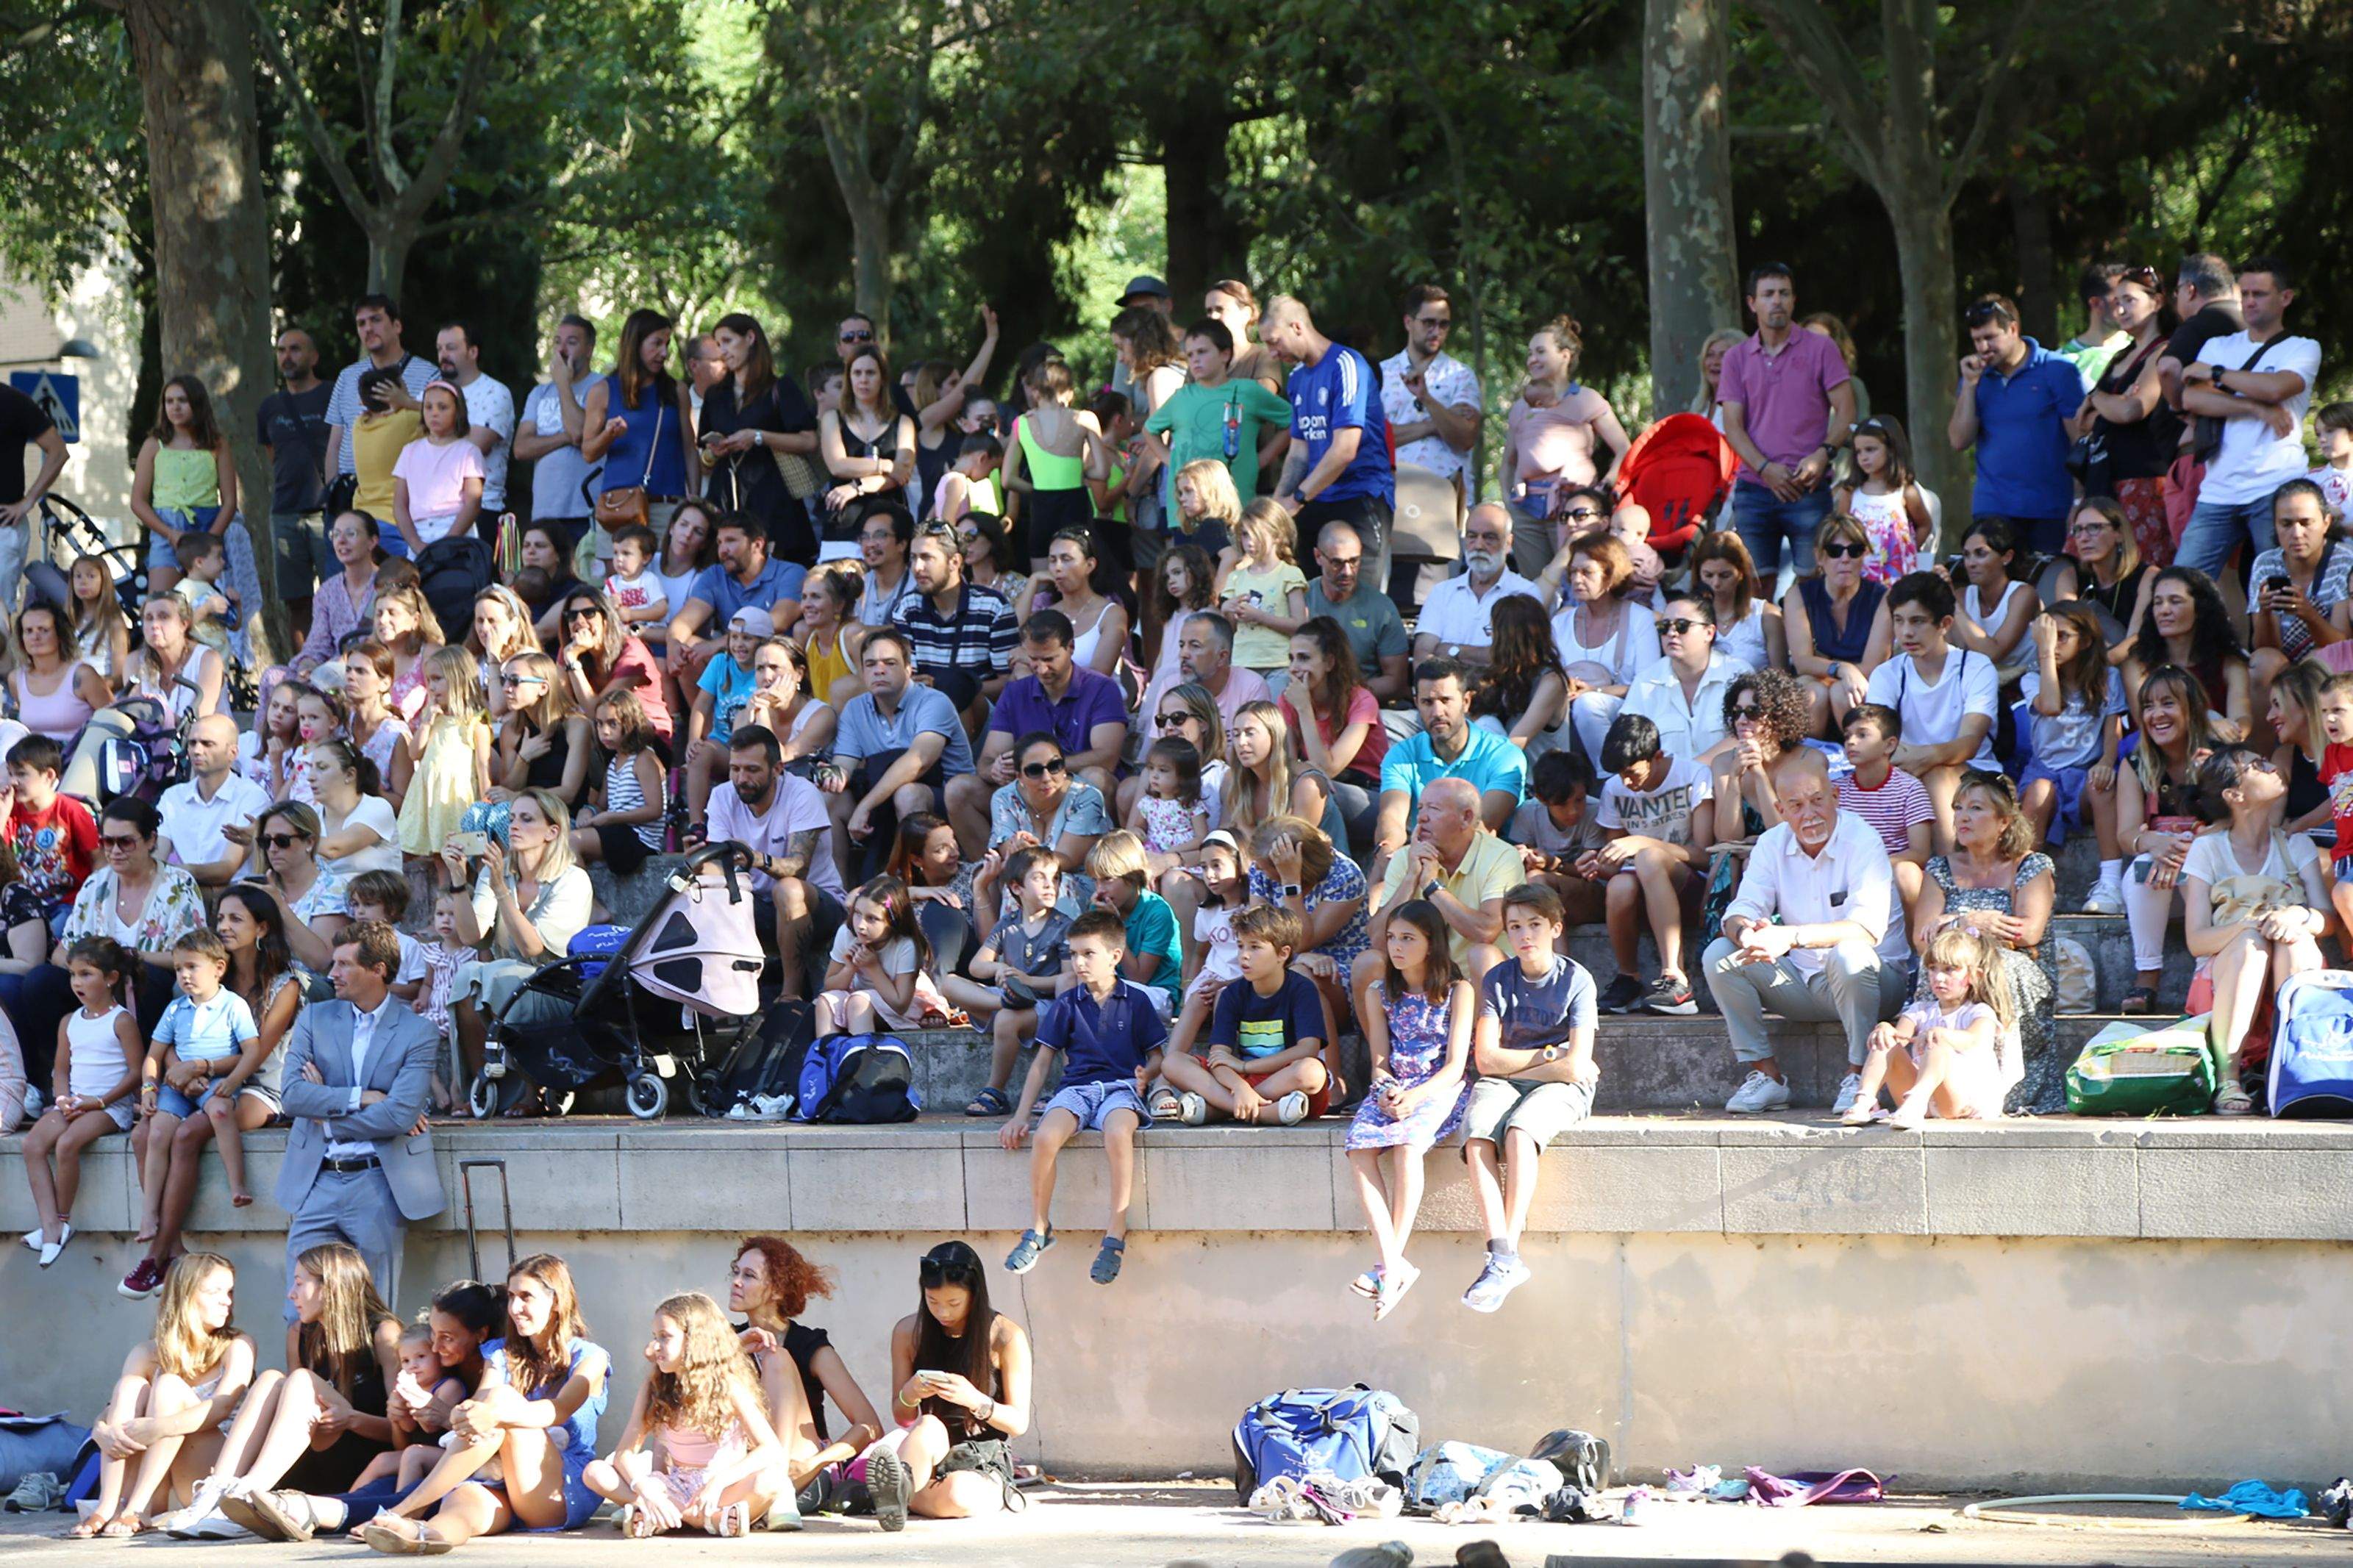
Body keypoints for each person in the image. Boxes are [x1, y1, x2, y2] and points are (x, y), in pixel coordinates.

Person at [353, 1253, 612, 1550]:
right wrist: (450, 1411)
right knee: (463, 1504)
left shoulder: (591, 1357)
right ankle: (423, 1535)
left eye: (526, 1297)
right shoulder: (500, 1353)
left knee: (500, 1401)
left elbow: (559, 1410)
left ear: (556, 1301)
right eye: (512, 1296)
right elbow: (480, 1405)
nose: (515, 1308)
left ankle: (405, 1509)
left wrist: (496, 1412)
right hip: (500, 1481)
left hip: (557, 1489)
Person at [149, 1240, 404, 1536]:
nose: (291, 1294)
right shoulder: (299, 1333)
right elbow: (294, 1417)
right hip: (308, 1459)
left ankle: (247, 1496)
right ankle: (219, 1492)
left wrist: (352, 1419)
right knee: (271, 1378)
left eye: (299, 1284)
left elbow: (402, 1435)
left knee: (300, 1379)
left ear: (330, 1286)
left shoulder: (384, 1333)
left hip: (360, 1464)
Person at [1703, 747, 1906, 1114]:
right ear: (1780, 811)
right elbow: (1740, 910)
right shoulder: (1771, 843)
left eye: (1817, 801)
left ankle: (1859, 1076)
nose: (1809, 814)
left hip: (1876, 983)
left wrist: (1789, 936)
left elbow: (1866, 930)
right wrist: (1748, 935)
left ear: (1836, 797)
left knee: (1849, 952)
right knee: (1719, 955)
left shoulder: (1862, 840)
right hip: (1804, 981)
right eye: (1795, 805)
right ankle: (1767, 1078)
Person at [1001, 909, 1164, 1286]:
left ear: (1115, 957)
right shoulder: (1067, 1004)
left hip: (1122, 1087)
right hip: (1076, 1090)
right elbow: (1042, 1063)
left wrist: (1148, 1073)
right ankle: (1040, 1228)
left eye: (1088, 954)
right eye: (1074, 954)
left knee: (1119, 1132)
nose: (1078, 962)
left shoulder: (1137, 1002)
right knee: (1044, 1137)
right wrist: (1020, 1115)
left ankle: (1115, 1231)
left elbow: (1157, 1056)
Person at [1459, 881, 1597, 1313]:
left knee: (1519, 1131)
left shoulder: (1577, 980)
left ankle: (1506, 1256)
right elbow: (1485, 1060)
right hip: (1511, 1080)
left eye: (1534, 925)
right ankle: (1499, 1252)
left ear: (1554, 928)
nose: (1524, 936)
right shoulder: (1499, 978)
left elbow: (1576, 1069)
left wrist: (1540, 1063)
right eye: (1515, 926)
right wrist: (1549, 1055)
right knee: (1478, 1133)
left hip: (1563, 1087)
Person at [117, 930, 271, 1300]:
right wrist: (151, 1088)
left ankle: (238, 1185)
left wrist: (230, 1082)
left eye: (191, 967)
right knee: (154, 1133)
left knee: (219, 1113)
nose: (184, 975)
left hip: (214, 1084)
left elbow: (250, 1051)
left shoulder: (232, 1006)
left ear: (219, 968)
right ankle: (150, 1215)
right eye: (178, 968)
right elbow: (155, 1054)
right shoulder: (176, 1008)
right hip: (176, 1088)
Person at [2183, 745, 2332, 1117]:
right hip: (2229, 980)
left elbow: (2327, 919)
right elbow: (2196, 940)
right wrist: (2249, 925)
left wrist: (2297, 914)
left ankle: (2291, 1067)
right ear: (2234, 795)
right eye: (2258, 765)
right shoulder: (2207, 850)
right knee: (2251, 942)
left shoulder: (2296, 846)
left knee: (2295, 940)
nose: (2272, 766)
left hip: (2288, 971)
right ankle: (2228, 1075)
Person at [1344, 898, 1471, 1319]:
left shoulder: (1458, 991)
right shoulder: (1378, 991)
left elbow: (1455, 1066)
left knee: (1407, 1146)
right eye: (1392, 938)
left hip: (1438, 1088)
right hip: (1394, 1087)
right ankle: (1394, 1264)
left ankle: (1387, 1266)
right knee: (1359, 1148)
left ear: (1431, 943)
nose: (1396, 947)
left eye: (1407, 939)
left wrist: (1416, 1098)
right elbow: (1380, 1059)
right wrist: (1383, 1089)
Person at [68, 1253, 256, 1539]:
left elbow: (221, 1408)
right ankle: (108, 1506)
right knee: (130, 1386)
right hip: (157, 1482)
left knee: (168, 1385)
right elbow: (113, 1409)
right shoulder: (147, 1353)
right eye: (214, 1291)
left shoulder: (237, 1345)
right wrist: (100, 1430)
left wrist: (158, 1427)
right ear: (184, 1294)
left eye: (229, 1291)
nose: (226, 1301)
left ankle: (138, 1507)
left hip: (204, 1474)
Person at [851, 1242, 1033, 1528]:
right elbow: (902, 1416)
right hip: (928, 1453)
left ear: (975, 1295)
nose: (943, 1313)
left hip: (984, 1457)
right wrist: (910, 1393)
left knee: (960, 1497)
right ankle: (901, 1488)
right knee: (929, 1425)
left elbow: (1018, 1423)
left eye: (953, 1303)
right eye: (932, 1302)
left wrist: (976, 1400)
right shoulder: (908, 1332)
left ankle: (894, 1496)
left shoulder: (1006, 1336)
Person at [585, 1292, 793, 1537]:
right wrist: (645, 1489)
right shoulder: (655, 1387)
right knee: (595, 1472)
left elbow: (770, 1449)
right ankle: (707, 1519)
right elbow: (624, 1453)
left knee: (771, 1479)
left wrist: (718, 1483)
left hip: (721, 1486)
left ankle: (664, 1518)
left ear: (695, 1342)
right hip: (675, 1485)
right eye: (655, 1337)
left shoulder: (728, 1386)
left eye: (665, 1337)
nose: (655, 1347)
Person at [1910, 770, 2059, 1113]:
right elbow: (1923, 940)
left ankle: (1998, 1084)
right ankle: (1941, 1078)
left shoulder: (2032, 865)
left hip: (2021, 971)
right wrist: (1970, 922)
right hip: (1956, 969)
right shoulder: (1940, 869)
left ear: (2004, 821)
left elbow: (2027, 933)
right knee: (1941, 969)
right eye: (1958, 807)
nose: (1962, 817)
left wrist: (1949, 928)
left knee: (1998, 967)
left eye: (1975, 809)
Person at [2177, 258, 2321, 581]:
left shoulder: (2303, 348)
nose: (2250, 301)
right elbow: (2192, 398)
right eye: (2245, 294)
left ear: (2285, 298)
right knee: (2183, 584)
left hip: (2275, 485)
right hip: (2217, 490)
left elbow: (2275, 388)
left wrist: (2216, 374)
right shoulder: (2218, 345)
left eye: (2260, 293)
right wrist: (2256, 409)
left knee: (2279, 588)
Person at [1718, 264, 1856, 590]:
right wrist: (1765, 468)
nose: (1776, 301)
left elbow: (1847, 410)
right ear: (1752, 303)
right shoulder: (1736, 358)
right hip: (1754, 488)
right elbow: (1733, 427)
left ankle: (1811, 643)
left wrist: (1824, 454)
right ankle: (1768, 643)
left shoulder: (1821, 349)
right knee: (1753, 586)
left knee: (1817, 582)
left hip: (1808, 486)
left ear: (1794, 301)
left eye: (1783, 294)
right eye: (1768, 295)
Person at [443, 794, 593, 1086]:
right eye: (512, 818)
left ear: (553, 831)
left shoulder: (573, 879)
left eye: (527, 819)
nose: (514, 826)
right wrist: (458, 881)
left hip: (557, 988)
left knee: (502, 978)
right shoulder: (496, 871)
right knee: (466, 977)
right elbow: (472, 937)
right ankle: (483, 1085)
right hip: (507, 979)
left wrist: (501, 889)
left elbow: (533, 948)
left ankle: (531, 1088)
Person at [728, 1236, 884, 1510]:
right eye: (736, 1272)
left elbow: (869, 1425)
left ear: (777, 1290)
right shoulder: (728, 1339)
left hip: (799, 1465)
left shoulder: (810, 1346)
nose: (736, 1282)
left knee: (777, 1357)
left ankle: (776, 1489)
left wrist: (817, 1462)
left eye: (749, 1275)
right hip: (745, 1462)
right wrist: (730, 1352)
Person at [17, 937, 139, 1267]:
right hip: (75, 1102)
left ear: (111, 978)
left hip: (109, 1108)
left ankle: (62, 1218)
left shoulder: (121, 1020)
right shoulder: (68, 1022)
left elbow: (136, 1072)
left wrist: (100, 1101)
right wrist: (62, 1098)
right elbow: (60, 1069)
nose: (76, 983)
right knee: (32, 1145)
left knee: (67, 1144)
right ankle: (50, 1225)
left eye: (86, 974)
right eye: (73, 975)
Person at [1588, 712, 1715, 1014]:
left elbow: (1705, 854)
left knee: (1648, 856)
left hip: (1691, 887)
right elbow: (1613, 866)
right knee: (1619, 885)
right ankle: (1628, 978)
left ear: (1657, 756)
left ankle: (1676, 978)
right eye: (1620, 774)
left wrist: (1644, 843)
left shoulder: (1693, 776)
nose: (1626, 782)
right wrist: (1596, 861)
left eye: (1632, 773)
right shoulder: (1615, 789)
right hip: (1642, 891)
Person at [1264, 296, 1395, 584]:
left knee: (1359, 602)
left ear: (1297, 327)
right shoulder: (1298, 378)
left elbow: (1345, 449)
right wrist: (1275, 508)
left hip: (1360, 496)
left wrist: (1297, 498)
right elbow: (1299, 452)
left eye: (1274, 342)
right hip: (1316, 497)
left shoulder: (1346, 365)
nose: (1272, 353)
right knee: (1308, 594)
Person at [824, 627, 973, 879]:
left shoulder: (934, 702)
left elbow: (919, 763)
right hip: (883, 803)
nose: (879, 670)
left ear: (908, 669)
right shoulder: (854, 709)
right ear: (862, 672)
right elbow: (843, 765)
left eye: (889, 663)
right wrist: (828, 775)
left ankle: (914, 887)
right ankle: (837, 892)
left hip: (946, 803)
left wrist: (866, 806)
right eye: (870, 664)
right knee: (831, 797)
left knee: (908, 792)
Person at [1865, 571, 1999, 850]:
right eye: (1899, 621)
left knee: (1935, 776)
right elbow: (1877, 741)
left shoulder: (1976, 666)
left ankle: (1951, 870)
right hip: (1905, 771)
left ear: (1945, 624)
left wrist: (1926, 758)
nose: (1906, 633)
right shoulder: (1886, 674)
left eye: (1917, 621)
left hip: (1977, 774)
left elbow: (1969, 743)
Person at [2116, 667, 2222, 1014]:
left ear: (2191, 708)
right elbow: (2126, 834)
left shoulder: (2218, 757)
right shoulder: (2136, 763)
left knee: (2194, 870)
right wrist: (2154, 843)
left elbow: (2236, 820)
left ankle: (2204, 975)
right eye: (2148, 706)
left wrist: (2192, 847)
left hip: (2213, 878)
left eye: (2167, 704)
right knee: (2142, 869)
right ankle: (2147, 974)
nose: (2156, 715)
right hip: (2161, 881)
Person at [711, 725, 844, 995]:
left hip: (818, 904)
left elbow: (799, 867)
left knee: (788, 889)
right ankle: (715, 998)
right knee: (704, 889)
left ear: (777, 769)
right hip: (758, 904)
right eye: (735, 769)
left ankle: (790, 995)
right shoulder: (721, 796)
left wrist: (756, 859)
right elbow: (719, 864)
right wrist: (703, 863)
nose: (741, 778)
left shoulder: (802, 793)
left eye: (752, 770)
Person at [1945, 294, 2081, 555]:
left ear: (2013, 329)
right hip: (1993, 506)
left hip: (2050, 507)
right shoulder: (1975, 378)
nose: (1983, 347)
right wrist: (1970, 385)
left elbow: (2080, 440)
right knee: (1996, 591)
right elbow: (1959, 441)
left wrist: (2079, 500)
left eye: (1990, 337)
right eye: (1977, 340)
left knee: (2047, 589)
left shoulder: (2057, 370)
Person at [1845, 926, 2015, 1129]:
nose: (1938, 977)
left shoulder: (1979, 1012)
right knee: (1885, 1042)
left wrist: (1943, 1035)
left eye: (1949, 970)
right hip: (1919, 1101)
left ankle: (1916, 1102)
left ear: (1974, 976)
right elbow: (1899, 1038)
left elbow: (1974, 1039)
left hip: (1959, 1103)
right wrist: (1885, 1029)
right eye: (1933, 968)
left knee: (1939, 1044)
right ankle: (1865, 1101)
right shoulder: (1921, 1010)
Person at [1499, 318, 1628, 575]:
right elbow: (1508, 462)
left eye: (1540, 352)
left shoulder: (1586, 399)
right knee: (1536, 585)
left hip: (1575, 507)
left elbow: (1624, 447)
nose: (1532, 359)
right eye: (1530, 353)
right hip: (1527, 509)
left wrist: (1604, 488)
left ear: (1565, 356)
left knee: (1576, 578)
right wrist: (1507, 500)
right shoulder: (1521, 407)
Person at [2073, 264, 2178, 569]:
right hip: (2104, 482)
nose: (2120, 309)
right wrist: (2111, 406)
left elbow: (2134, 409)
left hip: (2144, 481)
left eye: (2129, 300)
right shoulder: (2120, 356)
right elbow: (2087, 422)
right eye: (2116, 302)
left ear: (2156, 302)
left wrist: (2097, 398)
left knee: (2145, 568)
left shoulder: (2164, 351)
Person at [697, 312, 822, 562]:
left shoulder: (780, 388)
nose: (723, 351)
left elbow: (810, 441)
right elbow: (703, 458)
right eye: (719, 344)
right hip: (725, 498)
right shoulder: (715, 395)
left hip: (772, 500)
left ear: (750, 338)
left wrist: (759, 437)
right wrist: (714, 453)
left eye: (728, 341)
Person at [2019, 604, 2127, 884]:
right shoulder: (2033, 679)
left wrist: (2105, 762)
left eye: (2062, 636)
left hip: (2084, 773)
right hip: (2045, 772)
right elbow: (2051, 705)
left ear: (2086, 641)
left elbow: (2112, 727)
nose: (2053, 644)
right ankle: (2026, 881)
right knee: (2040, 792)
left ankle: (2110, 882)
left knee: (2101, 784)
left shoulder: (2108, 678)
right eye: (2048, 636)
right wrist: (2045, 654)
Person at [1375, 659, 1529, 855]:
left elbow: (1483, 826)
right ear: (1416, 703)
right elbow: (1392, 816)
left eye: (1446, 700)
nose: (1437, 712)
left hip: (1485, 859)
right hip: (1423, 854)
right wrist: (1388, 849)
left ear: (1466, 702)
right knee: (1380, 877)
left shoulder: (1505, 755)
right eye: (1427, 702)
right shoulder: (1401, 755)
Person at [1145, 319, 1293, 508]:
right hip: (1186, 509)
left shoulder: (1248, 392)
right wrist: (1171, 460)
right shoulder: (1180, 398)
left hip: (1234, 504)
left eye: (1202, 352)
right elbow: (1150, 430)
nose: (1195, 359)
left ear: (1225, 354)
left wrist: (1262, 458)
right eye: (1190, 355)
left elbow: (1292, 421)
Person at [582, 308, 700, 534]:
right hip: (618, 508)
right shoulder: (603, 391)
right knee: (616, 571)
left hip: (668, 508)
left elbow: (689, 449)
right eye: (656, 344)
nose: (664, 353)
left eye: (667, 344)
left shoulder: (677, 391)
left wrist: (693, 499)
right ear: (635, 344)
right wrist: (609, 435)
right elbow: (588, 453)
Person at [1549, 531, 1658, 763]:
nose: (1577, 580)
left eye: (1586, 572)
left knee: (1588, 705)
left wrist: (1594, 692)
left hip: (1626, 712)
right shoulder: (1560, 623)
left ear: (1610, 575)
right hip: (1566, 712)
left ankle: (1609, 775)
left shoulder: (1640, 618)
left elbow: (1647, 685)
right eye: (1573, 572)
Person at [129, 374, 239, 599]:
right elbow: (138, 501)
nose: (175, 407)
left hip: (206, 526)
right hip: (167, 527)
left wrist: (210, 540)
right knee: (162, 602)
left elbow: (229, 502)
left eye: (182, 401)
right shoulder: (154, 445)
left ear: (197, 404)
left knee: (203, 604)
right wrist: (170, 534)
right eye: (169, 402)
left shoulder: (217, 445)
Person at [2248, 478, 2350, 718]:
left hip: (2329, 662)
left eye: (2306, 523)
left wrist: (2308, 614)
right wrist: (2264, 612)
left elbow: (2341, 645)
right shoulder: (2265, 564)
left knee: (2318, 659)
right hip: (2284, 661)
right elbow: (2263, 647)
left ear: (2326, 523)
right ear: (2275, 526)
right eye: (2286, 524)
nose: (2297, 533)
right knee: (2261, 663)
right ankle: (2264, 751)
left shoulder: (2345, 562)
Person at [890, 520, 1015, 715]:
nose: (917, 567)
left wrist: (948, 688)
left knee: (954, 691)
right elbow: (907, 677)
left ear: (955, 562)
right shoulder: (907, 608)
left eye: (927, 558)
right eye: (913, 558)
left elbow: (1009, 682)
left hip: (980, 716)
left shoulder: (993, 606)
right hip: (920, 710)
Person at [667, 513, 810, 684]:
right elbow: (684, 621)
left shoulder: (791, 572)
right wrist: (674, 644)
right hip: (736, 659)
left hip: (774, 663)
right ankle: (702, 711)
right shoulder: (715, 575)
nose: (722, 550)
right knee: (687, 648)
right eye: (720, 543)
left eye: (731, 541)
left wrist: (719, 644)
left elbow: (778, 622)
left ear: (757, 544)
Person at [1783, 511, 1891, 737]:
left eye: (1854, 551)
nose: (1845, 559)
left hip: (1862, 689)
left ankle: (1856, 763)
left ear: (1863, 555)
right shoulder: (1798, 595)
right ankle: (1808, 761)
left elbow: (1871, 667)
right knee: (1813, 692)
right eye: (1835, 551)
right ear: (1819, 557)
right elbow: (1803, 662)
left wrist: (1839, 681)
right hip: (1819, 689)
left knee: (1842, 692)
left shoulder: (1882, 598)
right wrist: (1842, 669)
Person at [1283, 617, 1388, 848]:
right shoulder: (1289, 699)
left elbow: (1329, 767)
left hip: (1370, 794)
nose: (1293, 668)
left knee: (1315, 790)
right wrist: (1307, 770)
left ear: (1330, 662)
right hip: (1319, 784)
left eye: (1304, 658)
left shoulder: (1362, 701)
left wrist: (1304, 709)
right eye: (1291, 658)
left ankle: (1338, 874)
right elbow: (1287, 763)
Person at [257, 327, 334, 633]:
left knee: (338, 595)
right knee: (296, 602)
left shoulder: (332, 394)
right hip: (285, 513)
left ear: (313, 357)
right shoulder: (269, 407)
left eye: (295, 349)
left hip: (327, 512)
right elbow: (273, 454)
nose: (287, 356)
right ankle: (300, 672)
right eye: (281, 350)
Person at [1623, 593, 1751, 765]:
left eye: (1682, 626)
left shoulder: (1738, 674)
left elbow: (1749, 735)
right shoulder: (1645, 681)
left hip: (1728, 782)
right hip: (1669, 788)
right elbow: (1631, 744)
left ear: (1709, 632)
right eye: (1664, 626)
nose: (1672, 633)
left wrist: (1692, 771)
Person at [1379, 284, 1482, 498]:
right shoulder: (1381, 373)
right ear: (1408, 322)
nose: (1436, 332)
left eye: (1443, 324)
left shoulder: (1460, 375)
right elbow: (1373, 438)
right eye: (1429, 323)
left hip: (1445, 493)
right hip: (1392, 492)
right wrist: (1436, 425)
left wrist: (1427, 399)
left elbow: (1465, 436)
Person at [2123, 566, 2251, 737]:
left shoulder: (2229, 662)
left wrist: (2235, 733)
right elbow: (2150, 722)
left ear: (2200, 609)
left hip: (2214, 750)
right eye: (2158, 602)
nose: (2164, 610)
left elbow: (2241, 716)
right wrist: (2206, 725)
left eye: (2175, 601)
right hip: (2155, 754)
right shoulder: (2137, 663)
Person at [1412, 504, 1543, 669]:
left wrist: (1452, 651)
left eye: (1489, 537)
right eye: (1472, 536)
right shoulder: (1442, 592)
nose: (1479, 545)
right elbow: (1421, 657)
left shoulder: (1525, 593)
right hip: (1446, 694)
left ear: (1508, 543)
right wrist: (1488, 654)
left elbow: (1517, 659)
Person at [324, 295, 435, 483]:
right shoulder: (347, 377)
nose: (368, 328)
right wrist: (331, 495)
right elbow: (334, 446)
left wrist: (407, 403)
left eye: (376, 320)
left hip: (404, 489)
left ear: (397, 326)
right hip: (350, 491)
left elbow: (445, 426)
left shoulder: (429, 374)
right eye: (361, 323)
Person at [515, 315, 600, 551]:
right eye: (557, 342)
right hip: (544, 512)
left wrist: (563, 384)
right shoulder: (539, 394)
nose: (562, 349)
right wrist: (564, 437)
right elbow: (521, 449)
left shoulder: (602, 388)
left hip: (585, 511)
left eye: (572, 342)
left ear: (589, 349)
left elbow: (581, 434)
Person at [1303, 519, 1410, 705]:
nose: (1347, 572)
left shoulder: (1381, 607)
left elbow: (1395, 681)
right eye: (1337, 563)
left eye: (1354, 561)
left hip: (1361, 703)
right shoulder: (1300, 597)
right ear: (1318, 556)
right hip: (1305, 699)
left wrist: (1345, 696)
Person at [554, 585, 674, 750]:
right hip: (603, 734)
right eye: (572, 616)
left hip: (647, 737)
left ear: (606, 619)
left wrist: (573, 663)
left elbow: (596, 712)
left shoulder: (632, 651)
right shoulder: (570, 649)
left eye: (589, 613)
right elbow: (561, 703)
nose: (580, 622)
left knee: (588, 728)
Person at [819, 345, 917, 540]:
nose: (863, 380)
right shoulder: (832, 418)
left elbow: (902, 473)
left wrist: (856, 487)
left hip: (890, 522)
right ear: (850, 378)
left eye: (871, 373)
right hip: (843, 519)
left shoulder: (903, 422)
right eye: (857, 373)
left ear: (882, 379)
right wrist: (886, 465)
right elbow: (838, 466)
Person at [1833, 415, 1934, 585]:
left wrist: (1908, 549)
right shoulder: (1850, 492)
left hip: (1896, 576)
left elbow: (1925, 524)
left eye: (1870, 449)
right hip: (1860, 574)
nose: (1863, 457)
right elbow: (1841, 530)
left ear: (1891, 449)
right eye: (1859, 452)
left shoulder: (1905, 492)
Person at [388, 381, 485, 556]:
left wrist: (449, 541)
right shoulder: (410, 451)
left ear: (458, 411)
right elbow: (399, 505)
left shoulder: (468, 452)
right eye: (428, 407)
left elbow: (473, 502)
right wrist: (416, 544)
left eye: (443, 407)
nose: (434, 413)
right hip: (419, 532)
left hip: (456, 530)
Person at [291, 510, 384, 679]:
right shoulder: (327, 591)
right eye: (335, 534)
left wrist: (348, 661)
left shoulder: (387, 585)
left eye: (351, 534)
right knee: (274, 676)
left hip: (374, 669)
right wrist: (307, 666)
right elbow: (317, 645)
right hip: (332, 671)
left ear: (372, 541)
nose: (341, 541)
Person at [1946, 518, 2043, 670]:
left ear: (2007, 557)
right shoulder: (1962, 596)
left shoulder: (2023, 594)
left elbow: (1993, 654)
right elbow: (1957, 652)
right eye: (1966, 555)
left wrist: (1953, 605)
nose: (1970, 563)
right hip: (1977, 682)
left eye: (1981, 554)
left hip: (2022, 684)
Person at [1689, 531, 1787, 675]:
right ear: (1698, 575)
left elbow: (1781, 678)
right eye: (1708, 575)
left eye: (1725, 575)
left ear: (1741, 573)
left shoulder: (1767, 616)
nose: (1716, 583)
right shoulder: (1686, 614)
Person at [2068, 496, 2153, 658]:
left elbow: (2136, 639)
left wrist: (2103, 663)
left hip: (2131, 661)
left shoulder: (2147, 576)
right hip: (2086, 662)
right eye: (2078, 530)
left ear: (2119, 534)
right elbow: (2069, 630)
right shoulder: (2069, 576)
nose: (2084, 538)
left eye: (2094, 528)